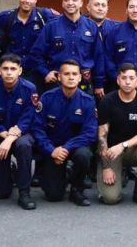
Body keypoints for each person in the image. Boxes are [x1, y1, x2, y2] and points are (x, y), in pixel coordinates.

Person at [32, 60, 97, 206]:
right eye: (66, 74)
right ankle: (63, 173)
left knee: (83, 155)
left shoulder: (88, 101)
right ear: (59, 77)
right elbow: (38, 129)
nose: (71, 77)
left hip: (75, 147)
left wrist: (67, 147)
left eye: (75, 74)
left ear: (80, 78)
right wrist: (51, 150)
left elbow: (90, 133)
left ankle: (77, 189)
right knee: (53, 195)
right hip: (52, 148)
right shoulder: (47, 98)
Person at [95, 63, 137, 206]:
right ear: (118, 80)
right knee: (110, 199)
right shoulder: (107, 101)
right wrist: (106, 167)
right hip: (111, 152)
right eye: (124, 78)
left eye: (131, 78)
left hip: (133, 149)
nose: (128, 82)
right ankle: (119, 172)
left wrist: (123, 145)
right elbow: (102, 137)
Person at [0, 53, 37, 209]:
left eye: (13, 69)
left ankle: (24, 192)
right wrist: (4, 135)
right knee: (1, 192)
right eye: (5, 69)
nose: (9, 72)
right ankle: (10, 172)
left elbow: (28, 118)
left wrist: (11, 138)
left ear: (20, 71)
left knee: (24, 146)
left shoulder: (29, 89)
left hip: (21, 134)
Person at [27, 0, 105, 94]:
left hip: (84, 82)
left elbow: (99, 56)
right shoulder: (51, 26)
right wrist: (45, 73)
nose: (70, 3)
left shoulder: (91, 26)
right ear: (63, 3)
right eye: (67, 0)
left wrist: (99, 84)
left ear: (81, 3)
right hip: (56, 82)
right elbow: (35, 54)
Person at [0, 0, 57, 91]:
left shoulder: (44, 15)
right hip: (12, 72)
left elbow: (64, 23)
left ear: (36, 0)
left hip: (36, 72)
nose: (27, 0)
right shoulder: (5, 17)